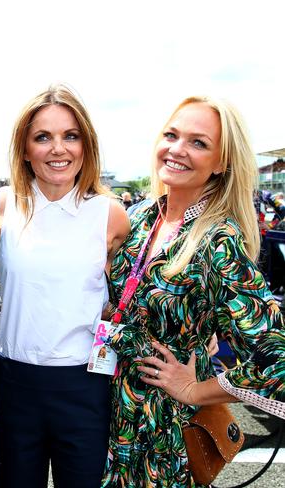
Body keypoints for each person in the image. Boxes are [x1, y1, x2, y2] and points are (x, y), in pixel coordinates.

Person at [102, 96, 285, 487]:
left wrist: (197, 389)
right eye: (171, 135)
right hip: (106, 411)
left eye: (198, 142)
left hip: (161, 429)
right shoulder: (140, 217)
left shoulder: (219, 240)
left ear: (222, 163)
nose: (177, 149)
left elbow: (277, 359)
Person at [0, 84, 130, 488]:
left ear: (85, 146)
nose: (58, 149)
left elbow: (128, 291)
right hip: (15, 383)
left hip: (84, 384)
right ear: (24, 149)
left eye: (70, 136)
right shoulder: (2, 205)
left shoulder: (110, 215)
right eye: (43, 137)